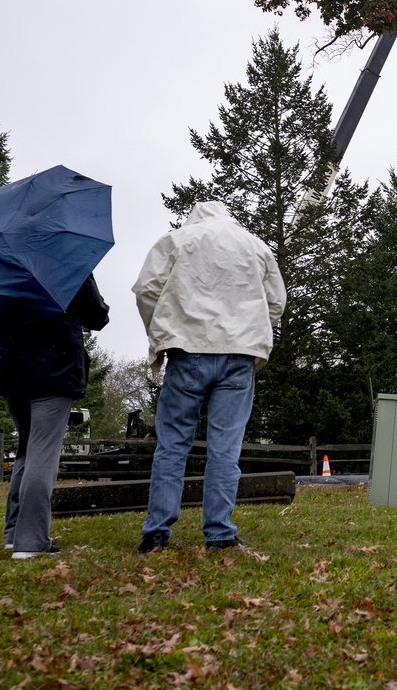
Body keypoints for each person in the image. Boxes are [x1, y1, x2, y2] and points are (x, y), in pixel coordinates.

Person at [132, 201, 285, 553]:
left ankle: (156, 533)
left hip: (187, 350)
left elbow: (146, 290)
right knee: (225, 448)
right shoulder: (254, 245)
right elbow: (276, 301)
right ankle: (220, 533)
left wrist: (163, 330)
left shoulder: (176, 240)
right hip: (239, 354)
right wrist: (253, 328)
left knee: (172, 444)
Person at [0, 272, 109, 560]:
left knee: (26, 449)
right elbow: (96, 316)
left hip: (12, 367)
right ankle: (31, 541)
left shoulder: (6, 261)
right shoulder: (67, 259)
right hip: (54, 367)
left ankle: (13, 533)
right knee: (42, 453)